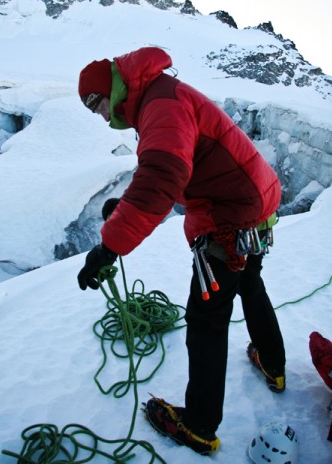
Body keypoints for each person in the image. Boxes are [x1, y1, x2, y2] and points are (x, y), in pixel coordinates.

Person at [77, 47, 286, 456]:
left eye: (99, 104)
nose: (102, 116)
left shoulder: (161, 105)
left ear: (115, 89)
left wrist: (108, 248)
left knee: (206, 320)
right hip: (252, 203)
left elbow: (163, 178)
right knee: (250, 283)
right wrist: (123, 207)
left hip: (227, 218)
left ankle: (199, 427)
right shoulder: (160, 95)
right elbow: (177, 167)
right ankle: (273, 365)